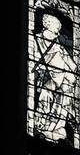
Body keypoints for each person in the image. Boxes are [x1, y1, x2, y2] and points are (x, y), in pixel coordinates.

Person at [32, 11, 76, 143]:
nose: (58, 29)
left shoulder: (57, 43)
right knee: (46, 94)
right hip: (47, 77)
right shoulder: (37, 40)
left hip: (63, 79)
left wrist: (71, 70)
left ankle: (57, 127)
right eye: (56, 27)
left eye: (59, 27)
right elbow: (34, 59)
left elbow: (71, 64)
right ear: (48, 25)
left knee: (64, 97)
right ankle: (43, 125)